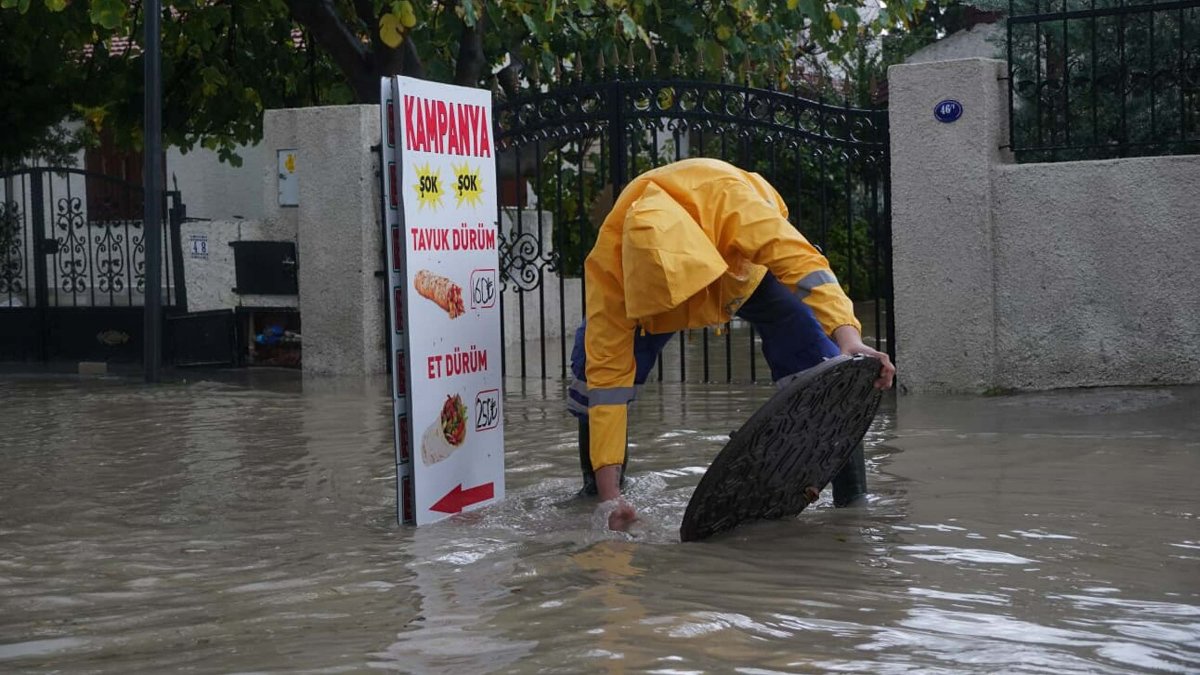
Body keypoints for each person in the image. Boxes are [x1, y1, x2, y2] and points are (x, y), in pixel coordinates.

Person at [566, 158, 896, 532]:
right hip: (646, 310)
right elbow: (607, 386)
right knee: (589, 375)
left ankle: (852, 503)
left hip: (742, 274)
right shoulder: (610, 278)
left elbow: (804, 265)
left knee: (824, 366)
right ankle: (598, 490)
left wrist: (849, 337)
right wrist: (611, 500)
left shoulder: (734, 204)